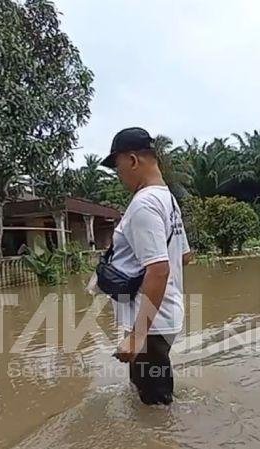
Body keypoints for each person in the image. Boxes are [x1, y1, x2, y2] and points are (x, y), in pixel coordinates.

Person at [100, 127, 193, 405]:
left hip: (151, 325)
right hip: (163, 315)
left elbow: (159, 270)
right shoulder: (168, 199)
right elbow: (184, 256)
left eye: (118, 168)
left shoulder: (144, 204)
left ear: (132, 160)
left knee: (156, 406)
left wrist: (137, 336)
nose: (119, 176)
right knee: (145, 392)